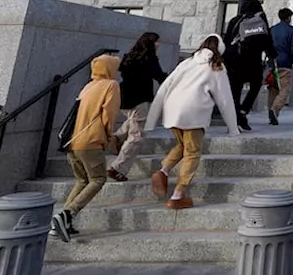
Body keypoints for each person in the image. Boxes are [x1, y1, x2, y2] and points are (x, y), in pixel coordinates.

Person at [146, 35, 240, 209]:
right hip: (194, 112)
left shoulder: (187, 62)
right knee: (193, 153)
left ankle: (163, 171)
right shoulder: (216, 66)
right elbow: (224, 99)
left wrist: (152, 119)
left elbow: (165, 86)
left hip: (172, 109)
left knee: (183, 146)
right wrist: (233, 128)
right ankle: (178, 194)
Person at [51, 53, 121, 241]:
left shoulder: (87, 87)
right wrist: (107, 137)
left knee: (82, 180)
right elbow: (109, 114)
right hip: (90, 141)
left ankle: (60, 222)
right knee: (98, 179)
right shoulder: (111, 85)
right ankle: (68, 213)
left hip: (72, 142)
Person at [108, 32, 167, 182]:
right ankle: (117, 168)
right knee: (137, 136)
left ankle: (117, 137)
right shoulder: (150, 59)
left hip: (123, 97)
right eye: (156, 42)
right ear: (150, 43)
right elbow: (160, 77)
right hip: (138, 99)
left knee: (133, 121)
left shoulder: (129, 56)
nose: (158, 44)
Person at [223, 0, 276, 132]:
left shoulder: (235, 21)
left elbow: (226, 40)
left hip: (234, 61)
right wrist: (272, 54)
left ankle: (235, 120)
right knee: (256, 84)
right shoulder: (259, 19)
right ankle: (244, 110)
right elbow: (267, 39)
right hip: (253, 61)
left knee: (235, 89)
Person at [267, 7, 293, 126]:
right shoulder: (292, 30)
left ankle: (270, 112)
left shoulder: (272, 29)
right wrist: (291, 58)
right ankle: (275, 109)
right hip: (285, 62)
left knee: (273, 88)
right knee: (284, 89)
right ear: (289, 17)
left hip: (272, 63)